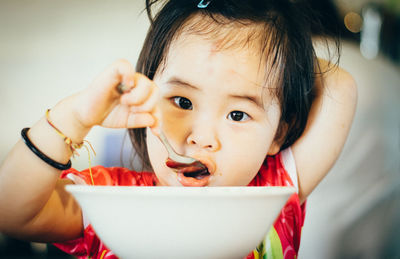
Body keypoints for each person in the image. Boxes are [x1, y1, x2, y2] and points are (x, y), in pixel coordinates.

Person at [0, 0, 357, 258]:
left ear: (278, 134)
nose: (199, 137)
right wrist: (75, 118)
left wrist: (277, 55)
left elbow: (341, 87)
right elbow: (11, 210)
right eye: (182, 102)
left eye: (237, 115)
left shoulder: (276, 194)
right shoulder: (114, 201)